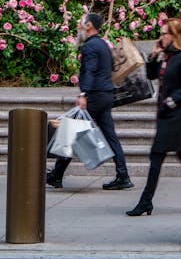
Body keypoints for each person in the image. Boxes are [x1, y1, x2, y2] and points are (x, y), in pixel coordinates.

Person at [47, 11, 133, 191]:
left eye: (81, 23)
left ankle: (56, 175)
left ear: (89, 26)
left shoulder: (90, 47)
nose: (78, 26)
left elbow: (90, 71)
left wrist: (83, 94)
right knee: (110, 136)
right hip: (106, 95)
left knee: (70, 132)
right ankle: (123, 175)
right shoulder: (103, 45)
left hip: (94, 96)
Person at [126, 18, 181, 216]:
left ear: (174, 36)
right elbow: (151, 75)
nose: (161, 37)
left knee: (159, 156)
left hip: (176, 116)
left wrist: (171, 101)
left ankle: (145, 202)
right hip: (165, 115)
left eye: (164, 34)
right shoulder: (167, 56)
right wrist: (154, 55)